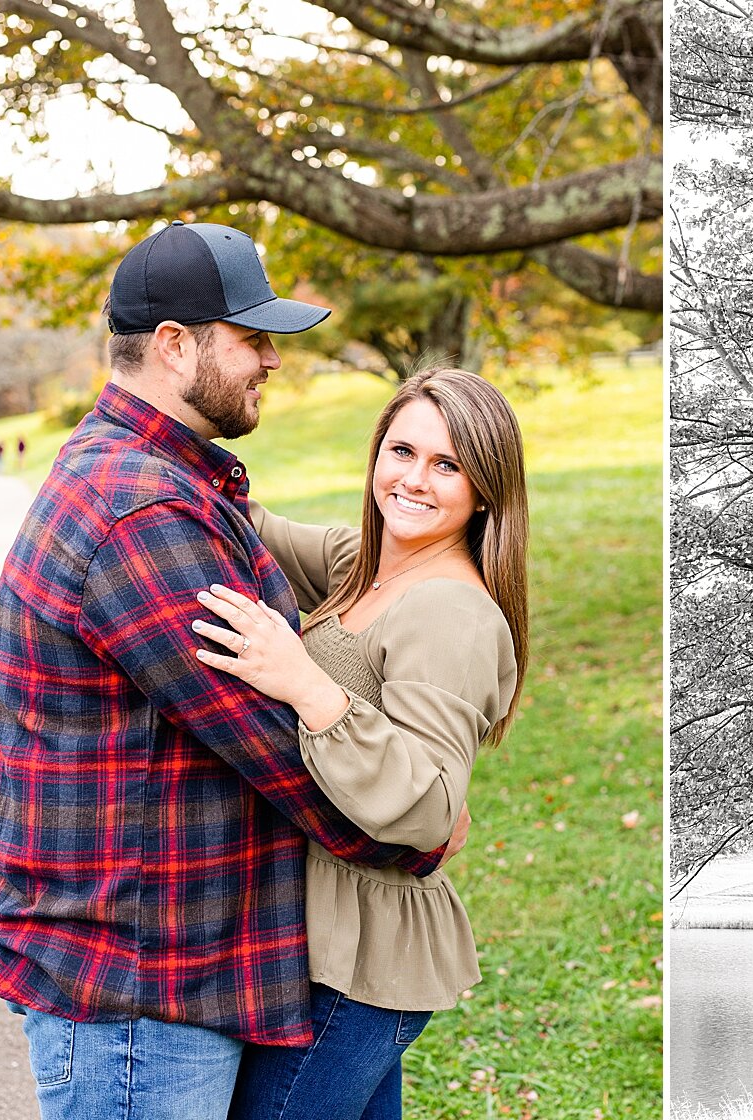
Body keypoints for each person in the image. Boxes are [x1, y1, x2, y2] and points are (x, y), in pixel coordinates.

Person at [0, 219, 455, 1120]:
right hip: (136, 990)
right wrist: (412, 840)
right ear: (175, 346)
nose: (272, 360)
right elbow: (270, 741)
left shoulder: (168, 480)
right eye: (253, 338)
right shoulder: (142, 513)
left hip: (167, 971)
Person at [190, 368, 529, 1120]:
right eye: (401, 451)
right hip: (325, 942)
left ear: (485, 489)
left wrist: (303, 682)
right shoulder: (362, 567)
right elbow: (245, 523)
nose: (414, 479)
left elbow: (430, 806)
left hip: (362, 964)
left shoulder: (452, 611)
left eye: (447, 465)